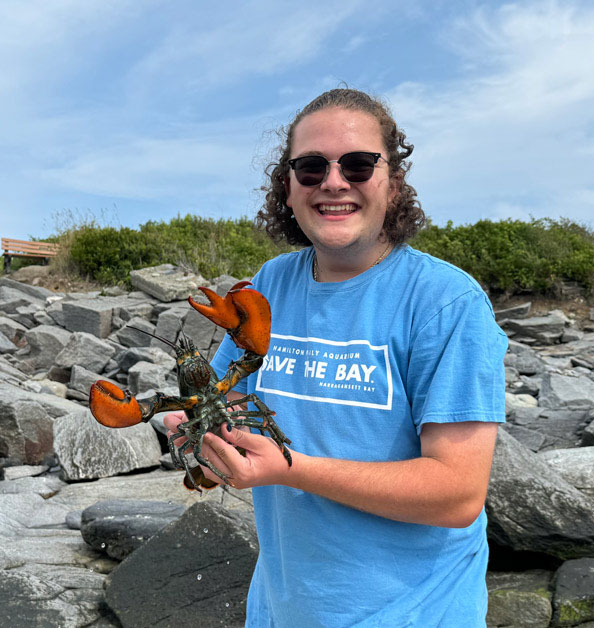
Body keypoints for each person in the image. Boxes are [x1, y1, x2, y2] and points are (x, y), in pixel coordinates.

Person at [164, 88, 508, 627]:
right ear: (288, 186)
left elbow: (457, 494)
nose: (333, 181)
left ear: (392, 181)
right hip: (279, 610)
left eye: (358, 164)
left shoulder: (446, 303)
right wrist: (201, 441)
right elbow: (226, 403)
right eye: (310, 167)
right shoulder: (270, 284)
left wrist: (290, 469)